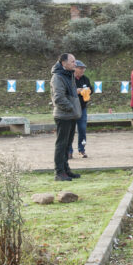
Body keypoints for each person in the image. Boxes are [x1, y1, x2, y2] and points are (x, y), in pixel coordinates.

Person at [51, 53, 82, 182]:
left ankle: (66, 169)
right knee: (61, 145)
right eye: (72, 61)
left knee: (67, 145)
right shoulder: (58, 77)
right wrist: (71, 107)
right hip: (64, 115)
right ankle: (59, 172)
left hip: (71, 115)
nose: (75, 64)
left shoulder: (69, 75)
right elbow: (58, 98)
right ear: (63, 63)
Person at [67, 60, 93, 159]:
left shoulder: (85, 79)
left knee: (82, 129)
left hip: (82, 108)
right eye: (81, 68)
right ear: (75, 68)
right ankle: (69, 151)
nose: (83, 70)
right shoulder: (69, 79)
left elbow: (91, 88)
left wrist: (89, 91)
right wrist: (76, 91)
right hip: (71, 108)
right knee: (70, 131)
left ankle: (82, 150)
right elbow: (66, 92)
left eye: (84, 68)